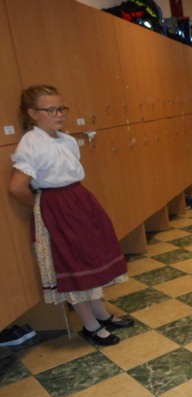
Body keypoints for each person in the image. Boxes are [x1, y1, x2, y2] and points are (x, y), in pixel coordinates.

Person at [9, 85, 132, 346]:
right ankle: (90, 325)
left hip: (78, 201)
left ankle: (101, 314)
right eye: (51, 110)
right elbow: (17, 187)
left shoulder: (65, 139)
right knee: (73, 264)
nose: (59, 114)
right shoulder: (31, 142)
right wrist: (42, 208)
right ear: (33, 113)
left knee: (88, 259)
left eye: (61, 108)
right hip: (58, 207)